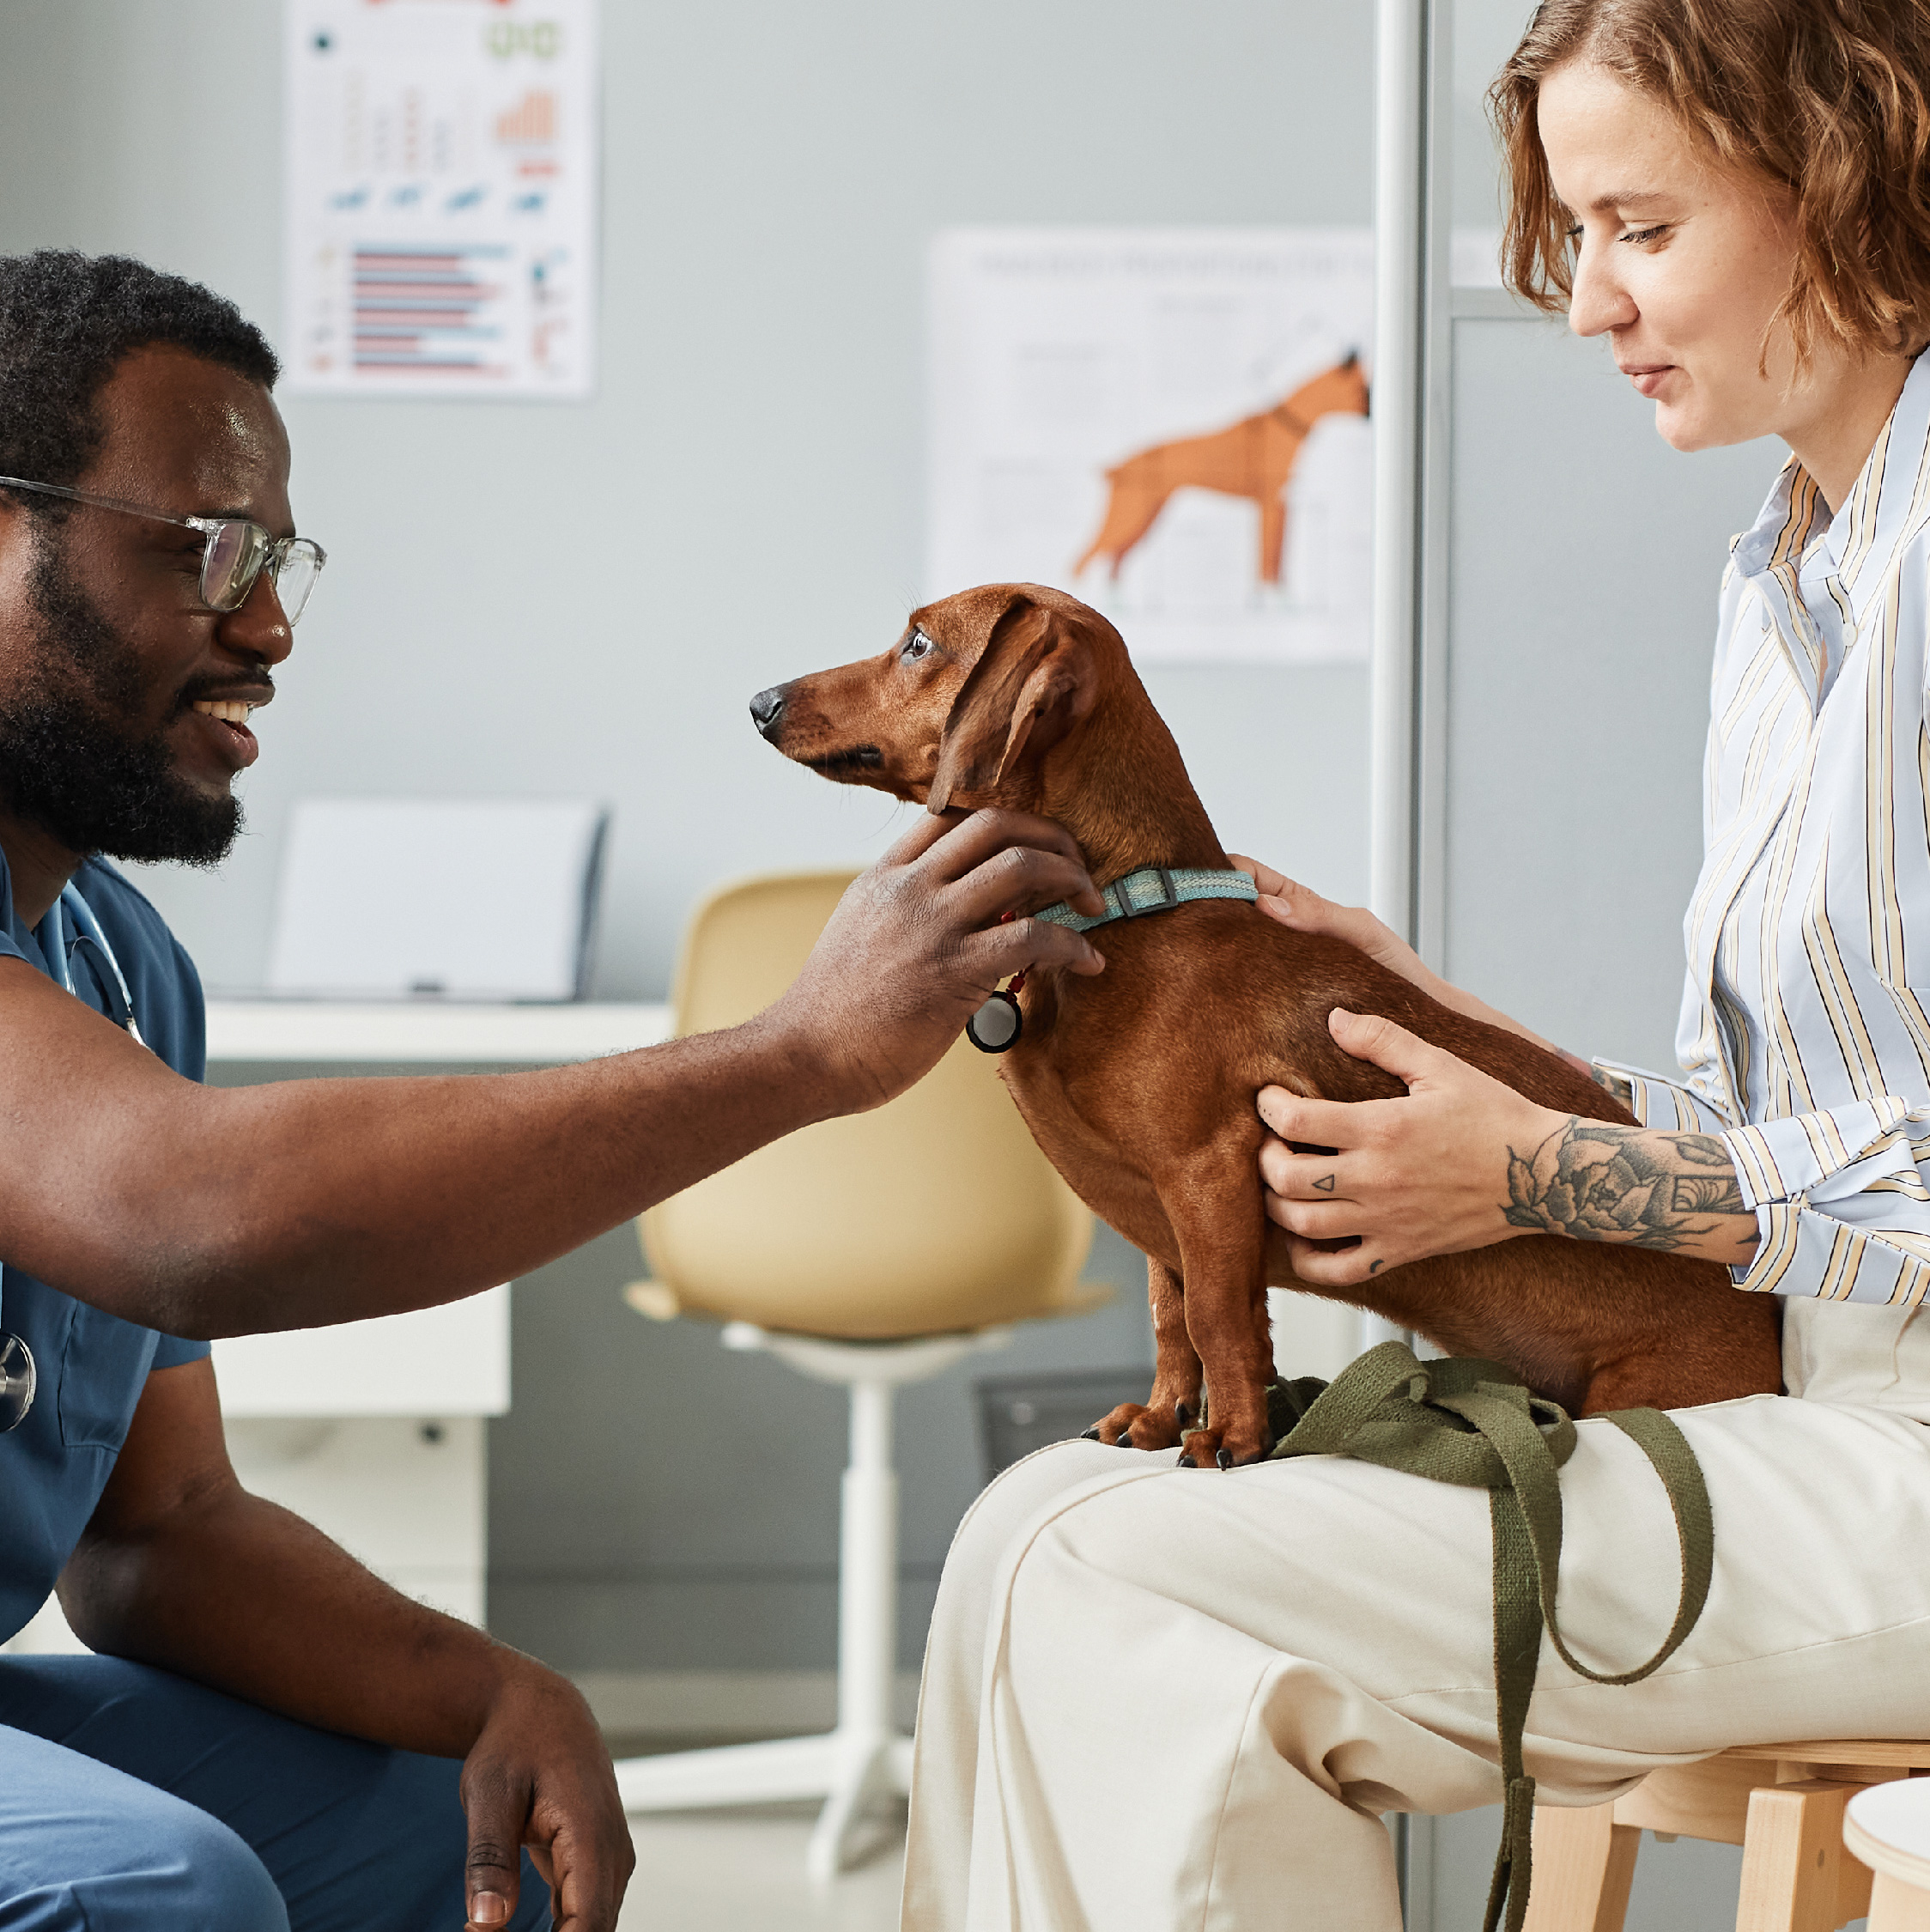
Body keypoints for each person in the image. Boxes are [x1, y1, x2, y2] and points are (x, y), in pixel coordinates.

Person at [898, 2, 1930, 1926]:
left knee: (1125, 1582)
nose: (1591, 302)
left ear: (1845, 174)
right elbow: (1825, 1126)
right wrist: (1454, 1036)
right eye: (1572, 237)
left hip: (1903, 1457)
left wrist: (1531, 1170)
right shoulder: (1786, 580)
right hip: (1816, 1386)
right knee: (1041, 1518)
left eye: (1640, 227)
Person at [0, 251, 1108, 1932]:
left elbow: (162, 1532)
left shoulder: (122, 961)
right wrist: (796, 1050)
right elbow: (180, 1211)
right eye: (208, 548)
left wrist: (487, 1692)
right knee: (167, 1888)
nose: (271, 623)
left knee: (462, 1834)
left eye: (281, 557)